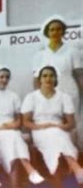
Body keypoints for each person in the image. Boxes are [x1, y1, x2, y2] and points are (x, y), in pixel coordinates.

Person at [0, 66, 44, 188]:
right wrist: (0, 128)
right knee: (13, 138)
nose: (4, 79)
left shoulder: (13, 96)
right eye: (1, 77)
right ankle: (30, 170)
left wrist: (12, 125)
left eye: (7, 77)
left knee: (11, 140)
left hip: (10, 130)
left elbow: (18, 121)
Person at [21, 65, 83, 188]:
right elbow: (26, 122)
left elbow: (71, 123)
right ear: (40, 79)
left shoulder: (64, 97)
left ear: (56, 78)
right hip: (39, 129)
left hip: (58, 128)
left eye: (51, 75)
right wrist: (42, 126)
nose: (48, 78)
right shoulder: (31, 97)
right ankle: (77, 169)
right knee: (55, 140)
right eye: (45, 75)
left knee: (56, 140)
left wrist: (58, 126)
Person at [32, 15, 83, 148]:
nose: (55, 32)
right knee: (53, 121)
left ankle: (74, 152)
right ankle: (56, 153)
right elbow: (36, 79)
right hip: (48, 93)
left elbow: (79, 75)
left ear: (63, 31)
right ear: (47, 33)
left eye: (58, 29)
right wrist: (38, 96)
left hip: (69, 90)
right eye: (52, 29)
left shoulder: (73, 52)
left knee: (72, 121)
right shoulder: (40, 55)